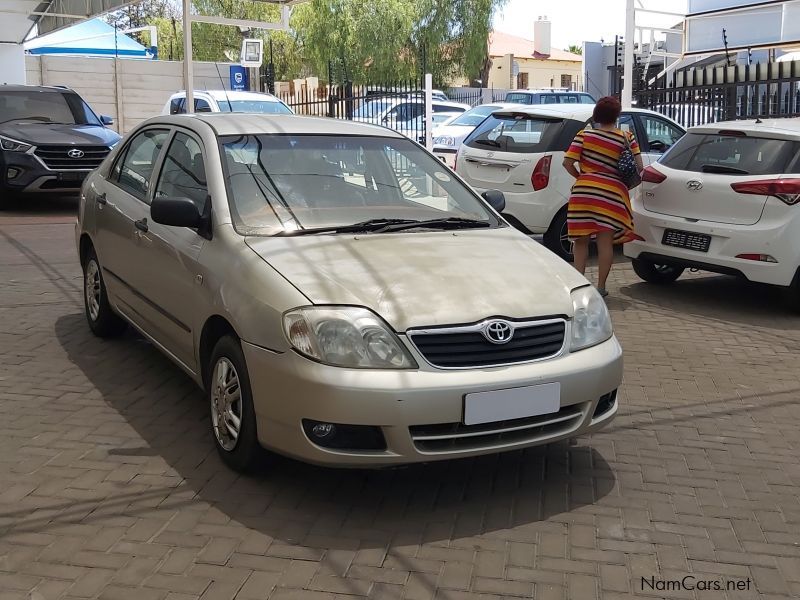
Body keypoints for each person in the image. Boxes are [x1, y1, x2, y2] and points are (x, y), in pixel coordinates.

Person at [562, 96, 644, 298]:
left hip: (583, 193)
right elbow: (639, 167)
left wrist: (583, 177)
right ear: (617, 116)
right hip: (611, 195)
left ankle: (579, 287)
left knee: (580, 241)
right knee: (604, 242)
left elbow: (567, 163)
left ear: (597, 114)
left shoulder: (584, 135)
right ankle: (600, 287)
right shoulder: (626, 137)